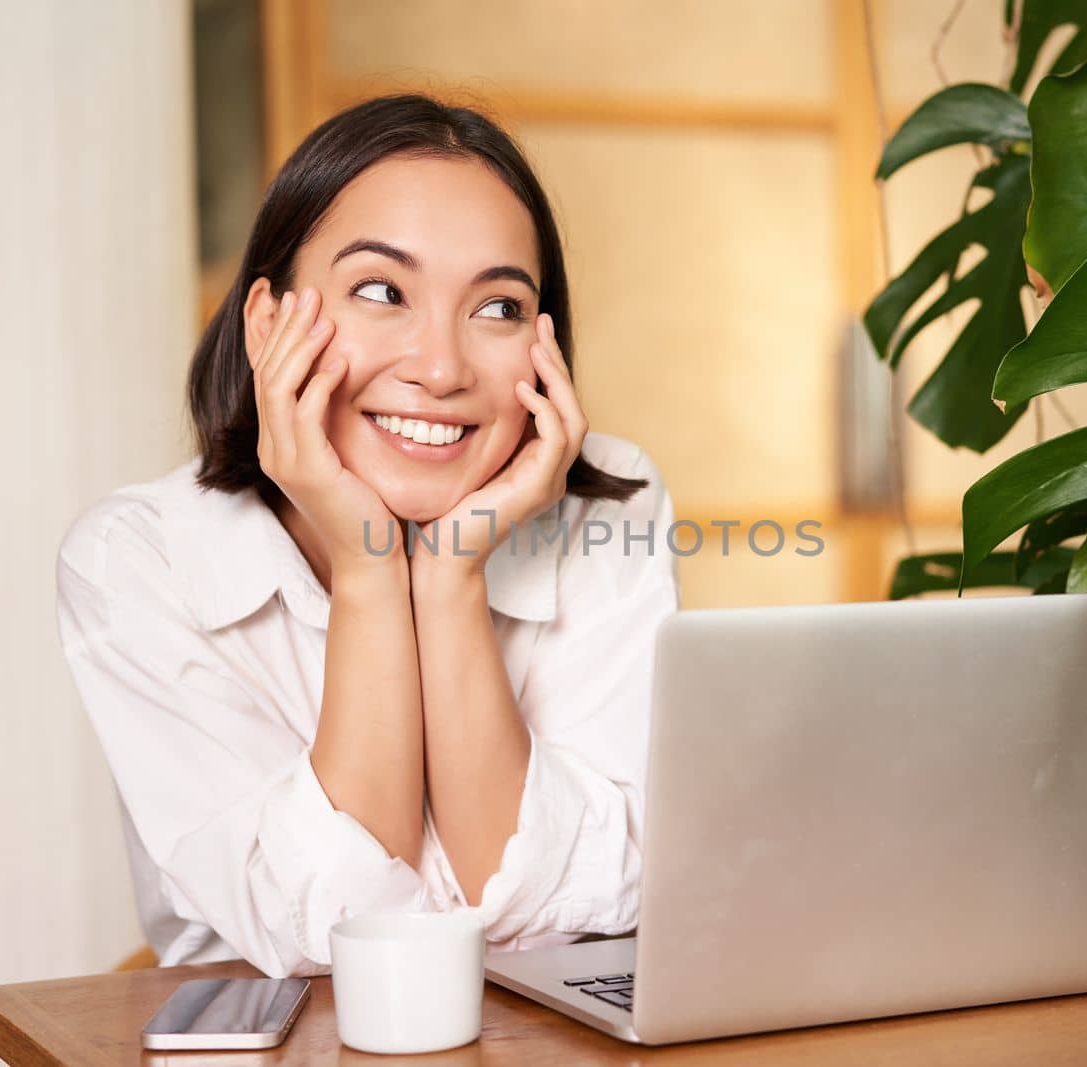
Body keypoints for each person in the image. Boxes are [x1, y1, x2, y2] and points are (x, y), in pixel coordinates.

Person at [54, 93, 680, 978]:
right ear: (269, 323)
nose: (440, 368)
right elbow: (333, 930)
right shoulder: (139, 558)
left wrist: (453, 576)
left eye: (497, 308)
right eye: (382, 291)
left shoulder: (612, 504)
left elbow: (603, 898)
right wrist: (369, 565)